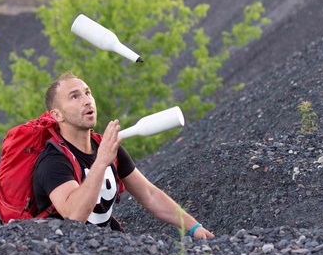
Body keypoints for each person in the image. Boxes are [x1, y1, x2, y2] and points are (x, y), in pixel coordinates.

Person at [33, 72, 214, 239]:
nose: (87, 101)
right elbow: (74, 218)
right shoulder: (53, 161)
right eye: (75, 96)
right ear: (57, 115)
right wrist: (102, 161)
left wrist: (194, 227)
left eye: (88, 93)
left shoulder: (107, 147)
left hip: (110, 247)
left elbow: (149, 194)